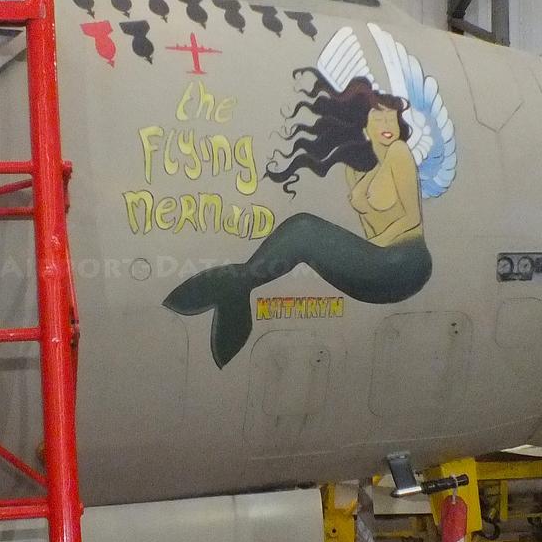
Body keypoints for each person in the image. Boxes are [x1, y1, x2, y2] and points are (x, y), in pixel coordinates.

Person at [164, 70, 432, 367]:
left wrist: (373, 247)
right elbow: (370, 228)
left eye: (392, 119)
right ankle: (237, 288)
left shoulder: (399, 153)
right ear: (364, 124)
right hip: (378, 267)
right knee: (304, 237)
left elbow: (410, 219)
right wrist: (364, 238)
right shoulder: (356, 169)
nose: (387, 126)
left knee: (304, 229)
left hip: (406, 263)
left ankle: (236, 283)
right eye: (378, 118)